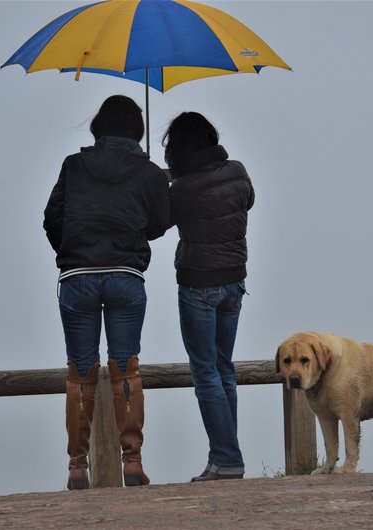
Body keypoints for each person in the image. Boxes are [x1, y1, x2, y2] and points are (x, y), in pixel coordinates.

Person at [43, 95, 169, 489]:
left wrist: (73, 249)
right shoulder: (147, 171)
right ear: (137, 129)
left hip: (77, 277)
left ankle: (77, 467)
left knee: (79, 373)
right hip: (124, 276)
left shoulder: (74, 165)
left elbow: (52, 219)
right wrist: (136, 221)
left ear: (99, 127)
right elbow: (161, 222)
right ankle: (132, 461)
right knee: (125, 369)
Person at [162, 112, 255, 482]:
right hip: (235, 282)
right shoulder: (237, 170)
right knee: (224, 369)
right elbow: (247, 200)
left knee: (205, 374)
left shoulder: (181, 189)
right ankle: (224, 457)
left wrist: (163, 185)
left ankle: (227, 459)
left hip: (199, 282)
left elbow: (157, 224)